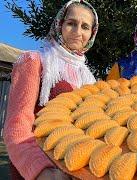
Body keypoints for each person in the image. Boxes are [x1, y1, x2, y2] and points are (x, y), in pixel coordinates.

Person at [3, 0, 99, 179]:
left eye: (85, 27)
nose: (78, 32)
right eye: (71, 23)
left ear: (92, 33)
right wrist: (42, 171)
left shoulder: (89, 78)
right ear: (60, 24)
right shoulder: (34, 61)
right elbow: (17, 128)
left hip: (75, 169)